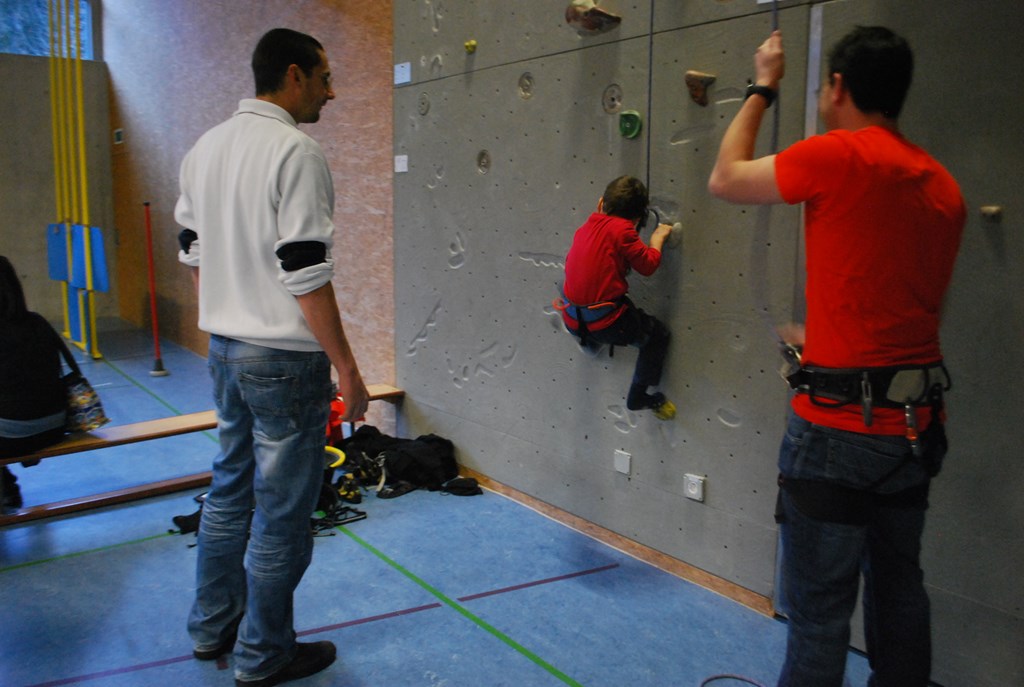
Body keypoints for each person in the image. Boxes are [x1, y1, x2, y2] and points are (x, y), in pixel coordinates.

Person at [709, 27, 965, 686]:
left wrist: (763, 85)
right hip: (912, 430)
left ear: (839, 87)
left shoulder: (836, 156)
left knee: (820, 619)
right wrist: (825, 334)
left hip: (836, 434)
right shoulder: (943, 187)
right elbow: (904, 309)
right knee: (900, 595)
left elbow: (726, 177)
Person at [175, 28, 369, 687]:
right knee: (283, 514)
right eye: (324, 78)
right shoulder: (295, 151)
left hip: (226, 349)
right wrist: (347, 367)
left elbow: (193, 251)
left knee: (229, 491)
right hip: (283, 360)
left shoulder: (205, 148)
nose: (331, 92)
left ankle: (212, 628)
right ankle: (263, 655)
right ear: (293, 76)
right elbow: (305, 268)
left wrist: (226, 314)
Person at [558, 175, 676, 420]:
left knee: (578, 295)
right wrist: (657, 239)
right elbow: (648, 265)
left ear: (601, 203)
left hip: (571, 318)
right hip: (607, 324)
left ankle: (589, 343)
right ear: (637, 219)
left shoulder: (583, 229)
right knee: (656, 336)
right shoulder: (624, 230)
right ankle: (639, 396)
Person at [0, 255, 68, 511]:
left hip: (13, 436)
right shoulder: (37, 322)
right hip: (54, 426)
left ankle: (6, 485)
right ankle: (7, 484)